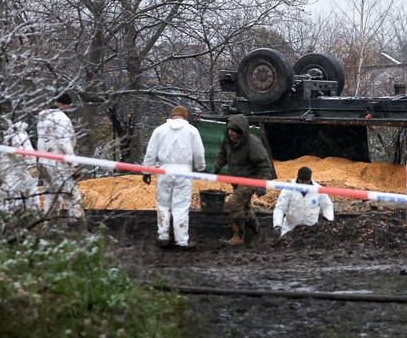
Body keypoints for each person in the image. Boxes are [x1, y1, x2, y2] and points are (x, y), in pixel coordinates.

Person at [142, 106, 206, 248]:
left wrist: (147, 171)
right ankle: (181, 240)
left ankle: (163, 236)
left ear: (172, 116)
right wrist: (201, 168)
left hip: (164, 170)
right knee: (181, 206)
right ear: (185, 116)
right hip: (184, 171)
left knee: (163, 205)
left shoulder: (159, 130)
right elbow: (199, 153)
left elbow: (151, 152)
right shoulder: (192, 131)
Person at [211, 113, 273, 246]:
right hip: (236, 179)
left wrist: (262, 184)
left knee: (233, 204)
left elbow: (265, 164)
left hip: (251, 179)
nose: (230, 133)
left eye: (233, 130)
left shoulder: (253, 144)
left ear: (241, 131)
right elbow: (222, 155)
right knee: (244, 209)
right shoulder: (227, 140)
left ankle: (239, 236)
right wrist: (215, 169)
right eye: (229, 129)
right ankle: (257, 234)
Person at [37, 92, 84, 218]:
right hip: (58, 162)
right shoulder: (61, 118)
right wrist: (74, 164)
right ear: (64, 104)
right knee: (71, 195)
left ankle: (48, 224)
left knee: (51, 196)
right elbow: (64, 143)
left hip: (44, 162)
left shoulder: (42, 118)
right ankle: (78, 224)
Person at [273, 166, 335, 238]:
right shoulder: (288, 189)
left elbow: (327, 206)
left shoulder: (318, 189)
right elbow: (280, 208)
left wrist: (329, 220)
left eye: (307, 182)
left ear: (310, 179)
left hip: (312, 231)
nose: (304, 184)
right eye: (302, 182)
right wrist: (277, 225)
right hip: (290, 229)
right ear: (298, 179)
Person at [0, 120, 38, 212]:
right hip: (20, 171)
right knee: (29, 195)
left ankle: (3, 219)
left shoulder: (17, 136)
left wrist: (32, 169)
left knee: (7, 195)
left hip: (18, 172)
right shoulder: (13, 136)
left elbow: (25, 154)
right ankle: (33, 216)